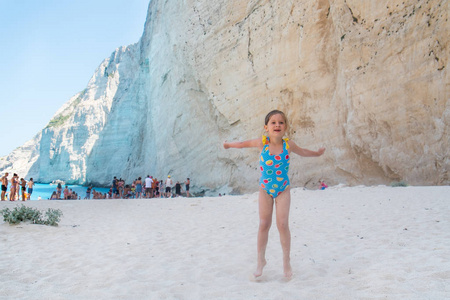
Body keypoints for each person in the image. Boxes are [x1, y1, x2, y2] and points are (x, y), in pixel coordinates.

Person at [223, 110, 325, 279]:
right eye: (273, 122)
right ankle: (260, 260)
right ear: (266, 127)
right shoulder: (262, 143)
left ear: (285, 127)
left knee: (283, 225)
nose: (277, 125)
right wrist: (228, 145)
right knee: (264, 224)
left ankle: (286, 261)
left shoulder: (288, 145)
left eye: (281, 122)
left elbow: (304, 152)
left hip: (283, 189)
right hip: (265, 190)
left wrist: (317, 153)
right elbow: (242, 143)